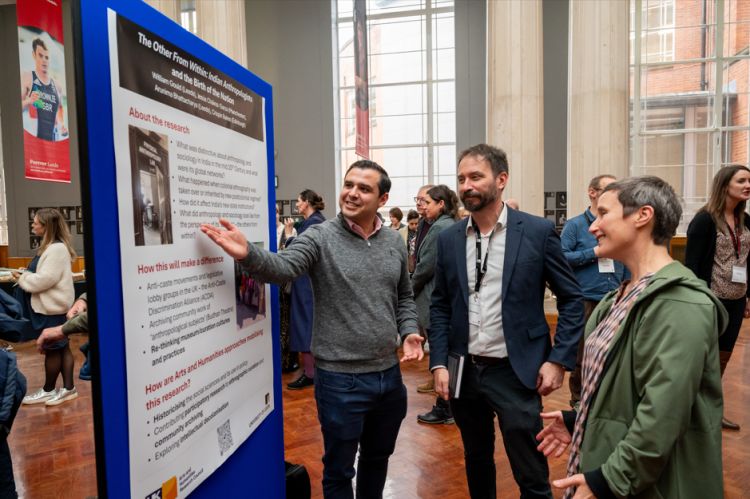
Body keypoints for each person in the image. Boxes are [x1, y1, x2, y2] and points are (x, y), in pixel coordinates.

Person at [201, 160, 424, 499]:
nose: (351, 192)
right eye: (349, 184)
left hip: (389, 378)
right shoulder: (320, 236)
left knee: (378, 459)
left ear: (383, 198)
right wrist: (248, 254)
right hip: (340, 380)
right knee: (338, 470)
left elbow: (404, 296)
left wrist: (408, 331)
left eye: (364, 188)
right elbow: (284, 267)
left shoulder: (393, 241)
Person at [537, 176, 725, 499]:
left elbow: (662, 415)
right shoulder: (616, 299)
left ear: (643, 215)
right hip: (608, 461)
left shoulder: (680, 303)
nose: (594, 227)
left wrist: (608, 481)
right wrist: (578, 419)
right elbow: (617, 387)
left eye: (603, 214)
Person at [429, 144, 584, 498]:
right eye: (461, 179)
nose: (466, 185)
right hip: (463, 369)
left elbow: (572, 299)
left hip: (516, 369)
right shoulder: (450, 238)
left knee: (529, 465)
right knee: (476, 457)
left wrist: (559, 359)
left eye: (475, 177)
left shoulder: (536, 231)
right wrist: (438, 362)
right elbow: (440, 306)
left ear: (501, 179)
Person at [684, 164, 750, 431]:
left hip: (736, 300)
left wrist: (748, 297)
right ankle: (689, 412)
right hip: (710, 301)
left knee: (722, 357)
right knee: (703, 359)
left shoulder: (746, 221)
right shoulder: (704, 220)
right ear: (725, 186)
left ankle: (710, 410)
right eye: (742, 181)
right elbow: (693, 265)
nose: (748, 185)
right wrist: (698, 299)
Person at [560, 174, 628, 408]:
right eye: (609, 188)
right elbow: (562, 258)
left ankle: (605, 397)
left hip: (616, 298)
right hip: (586, 299)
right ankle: (578, 399)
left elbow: (625, 258)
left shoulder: (618, 224)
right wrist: (594, 253)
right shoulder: (576, 225)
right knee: (583, 353)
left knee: (612, 351)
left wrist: (628, 288)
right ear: (592, 192)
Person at [13, 208, 78, 406]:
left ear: (47, 226)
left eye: (36, 223)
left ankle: (48, 390)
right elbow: (44, 274)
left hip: (52, 309)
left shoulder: (56, 249)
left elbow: (45, 280)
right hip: (53, 307)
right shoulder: (51, 247)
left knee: (53, 349)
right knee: (62, 347)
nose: (32, 225)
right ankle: (68, 389)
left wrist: (24, 277)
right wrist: (28, 273)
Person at [412, 185, 460, 425]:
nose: (422, 206)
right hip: (437, 298)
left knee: (444, 352)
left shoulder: (442, 227)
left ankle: (446, 407)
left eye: (427, 202)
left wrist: (408, 291)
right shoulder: (438, 225)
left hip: (434, 298)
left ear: (441, 204)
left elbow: (425, 267)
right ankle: (448, 405)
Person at [284, 189, 326, 390]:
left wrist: (288, 236)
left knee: (305, 325)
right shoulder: (317, 221)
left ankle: (310, 374)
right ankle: (312, 372)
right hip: (309, 281)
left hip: (306, 282)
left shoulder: (313, 223)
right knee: (308, 324)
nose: (297, 206)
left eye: (299, 202)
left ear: (307, 202)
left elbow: (298, 248)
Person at [20, 38, 67, 141]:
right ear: (34, 55)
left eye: (47, 57)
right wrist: (29, 101)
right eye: (41, 56)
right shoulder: (28, 77)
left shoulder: (57, 85)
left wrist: (62, 124)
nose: (44, 60)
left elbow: (59, 108)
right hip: (35, 141)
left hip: (54, 138)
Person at [276, 205, 298, 373]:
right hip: (271, 284)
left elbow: (293, 255)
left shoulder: (288, 230)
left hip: (285, 285)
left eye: (276, 211)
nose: (274, 214)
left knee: (286, 322)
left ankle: (288, 361)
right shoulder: (265, 229)